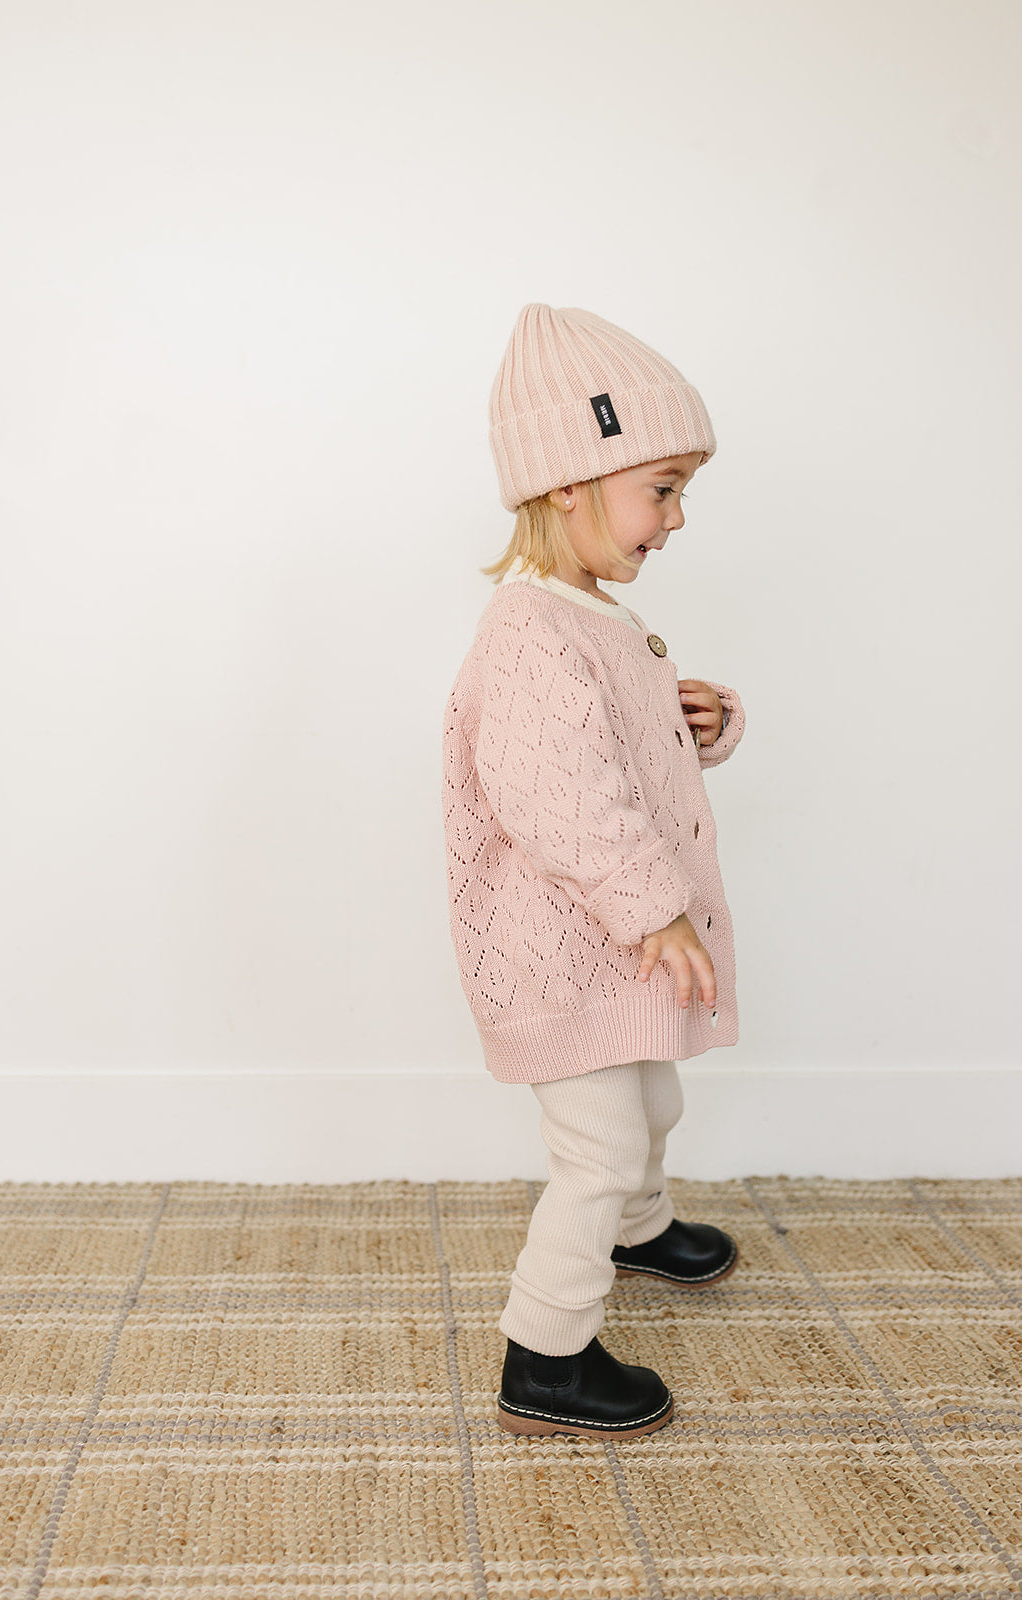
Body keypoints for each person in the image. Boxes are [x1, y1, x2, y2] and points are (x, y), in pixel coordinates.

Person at [441, 304, 746, 1439]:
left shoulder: (593, 618)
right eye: (661, 488)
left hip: (606, 938)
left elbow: (618, 757)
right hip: (560, 952)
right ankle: (546, 1354)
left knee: (653, 1098)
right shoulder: (530, 630)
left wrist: (699, 721)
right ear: (570, 479)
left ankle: (638, 1226)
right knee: (600, 1145)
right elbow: (557, 799)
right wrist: (654, 908)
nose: (675, 517)